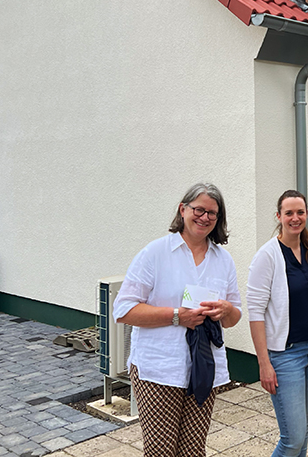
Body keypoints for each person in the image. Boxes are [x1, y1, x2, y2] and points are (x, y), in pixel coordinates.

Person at [114, 183, 242, 457]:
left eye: (212, 213)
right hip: (159, 369)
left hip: (204, 368)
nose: (204, 217)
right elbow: (123, 310)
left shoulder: (223, 260)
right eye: (199, 209)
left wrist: (225, 310)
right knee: (161, 451)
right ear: (183, 210)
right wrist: (176, 316)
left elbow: (233, 318)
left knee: (193, 451)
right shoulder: (155, 253)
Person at [247, 190, 308, 457]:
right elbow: (255, 311)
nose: (295, 218)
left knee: (304, 430)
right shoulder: (268, 256)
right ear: (279, 216)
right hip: (286, 356)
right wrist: (264, 363)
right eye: (289, 213)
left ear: (306, 214)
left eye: (300, 212)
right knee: (292, 439)